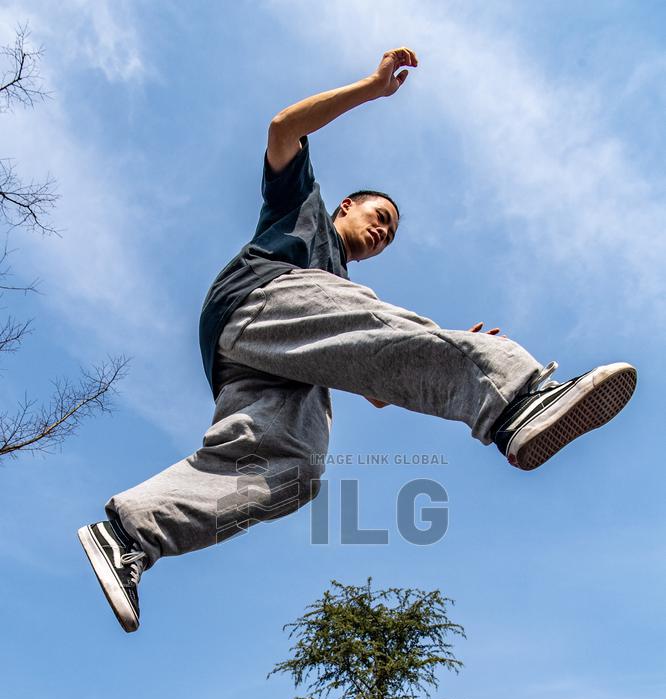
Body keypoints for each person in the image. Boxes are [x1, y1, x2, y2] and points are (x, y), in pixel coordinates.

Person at [78, 47, 636, 633]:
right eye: (379, 218)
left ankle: (130, 534)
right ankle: (517, 396)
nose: (380, 234)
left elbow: (376, 380)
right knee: (370, 315)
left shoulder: (339, 298)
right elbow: (282, 127)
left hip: (257, 364)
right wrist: (372, 88)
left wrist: (445, 345)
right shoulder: (304, 207)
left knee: (292, 470)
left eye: (389, 236)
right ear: (348, 205)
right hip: (262, 298)